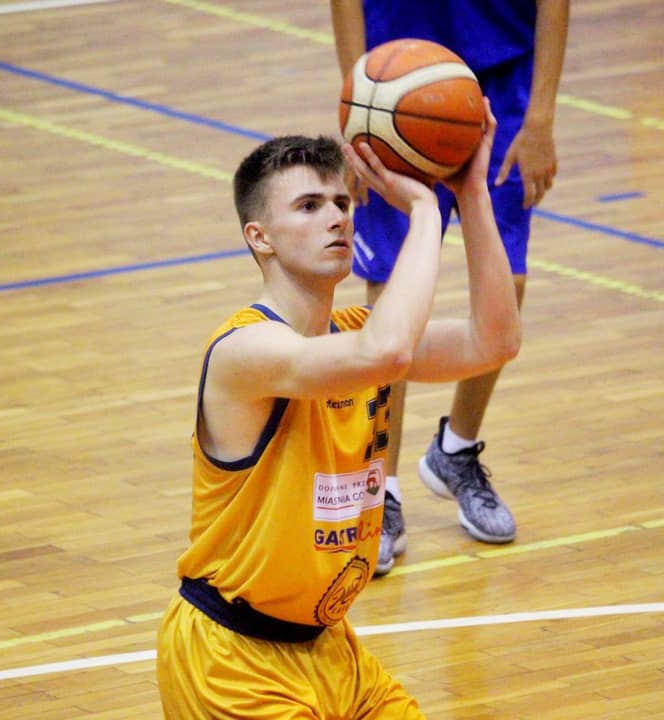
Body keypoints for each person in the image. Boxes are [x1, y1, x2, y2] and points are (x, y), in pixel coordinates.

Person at [156, 114, 520, 717]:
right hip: (232, 662)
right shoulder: (244, 351)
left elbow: (495, 341)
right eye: (309, 205)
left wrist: (471, 195)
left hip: (330, 649)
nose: (337, 217)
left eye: (342, 202)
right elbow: (388, 352)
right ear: (260, 237)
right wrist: (425, 212)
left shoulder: (354, 333)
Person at [331, 0, 570, 575]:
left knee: (508, 281)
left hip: (498, 84)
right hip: (395, 82)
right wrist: (359, 113)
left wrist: (540, 118)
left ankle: (456, 452)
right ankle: (380, 491)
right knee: (392, 297)